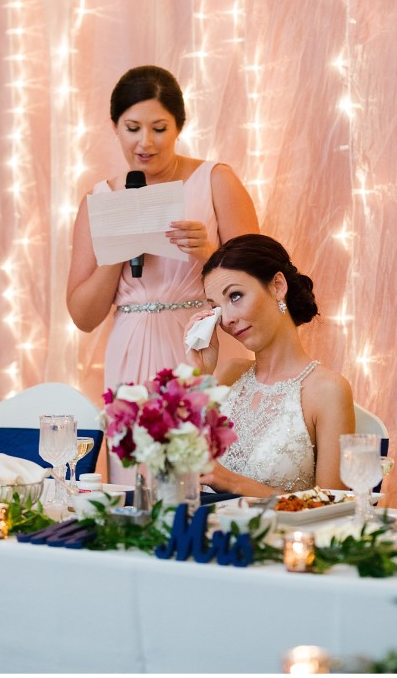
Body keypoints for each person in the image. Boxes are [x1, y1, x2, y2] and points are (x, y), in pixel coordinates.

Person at [67, 66, 259, 477]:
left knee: (205, 472)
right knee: (136, 476)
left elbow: (258, 283)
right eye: (133, 127)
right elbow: (83, 317)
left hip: (199, 345)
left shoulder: (215, 180)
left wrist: (208, 254)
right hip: (129, 348)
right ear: (115, 127)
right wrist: (117, 254)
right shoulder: (98, 199)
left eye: (159, 128)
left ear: (179, 126)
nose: (145, 142)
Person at [186, 233, 355, 496]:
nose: (227, 319)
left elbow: (334, 507)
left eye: (235, 296)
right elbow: (180, 468)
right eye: (216, 308)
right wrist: (199, 375)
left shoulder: (327, 390)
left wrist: (234, 483)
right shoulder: (229, 375)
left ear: (277, 285)